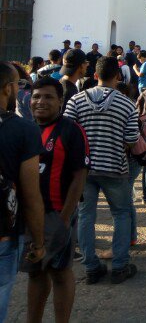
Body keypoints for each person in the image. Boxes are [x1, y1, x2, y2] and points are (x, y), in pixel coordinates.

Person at [64, 56, 139, 284]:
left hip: (84, 170)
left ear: (94, 75)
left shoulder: (75, 101)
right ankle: (119, 266)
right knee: (122, 214)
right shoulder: (127, 104)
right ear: (118, 76)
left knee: (86, 215)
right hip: (115, 167)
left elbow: (67, 135)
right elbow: (132, 138)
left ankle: (91, 266)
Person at [27, 77, 89, 323]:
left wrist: (64, 218)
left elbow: (79, 176)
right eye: (36, 97)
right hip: (29, 215)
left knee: (60, 272)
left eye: (48, 97)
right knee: (35, 271)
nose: (41, 102)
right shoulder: (27, 129)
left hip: (56, 213)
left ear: (60, 102)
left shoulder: (71, 130)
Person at [0, 62, 45, 321]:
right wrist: (38, 242)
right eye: (17, 84)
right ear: (8, 88)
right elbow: (31, 194)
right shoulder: (23, 129)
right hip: (4, 233)